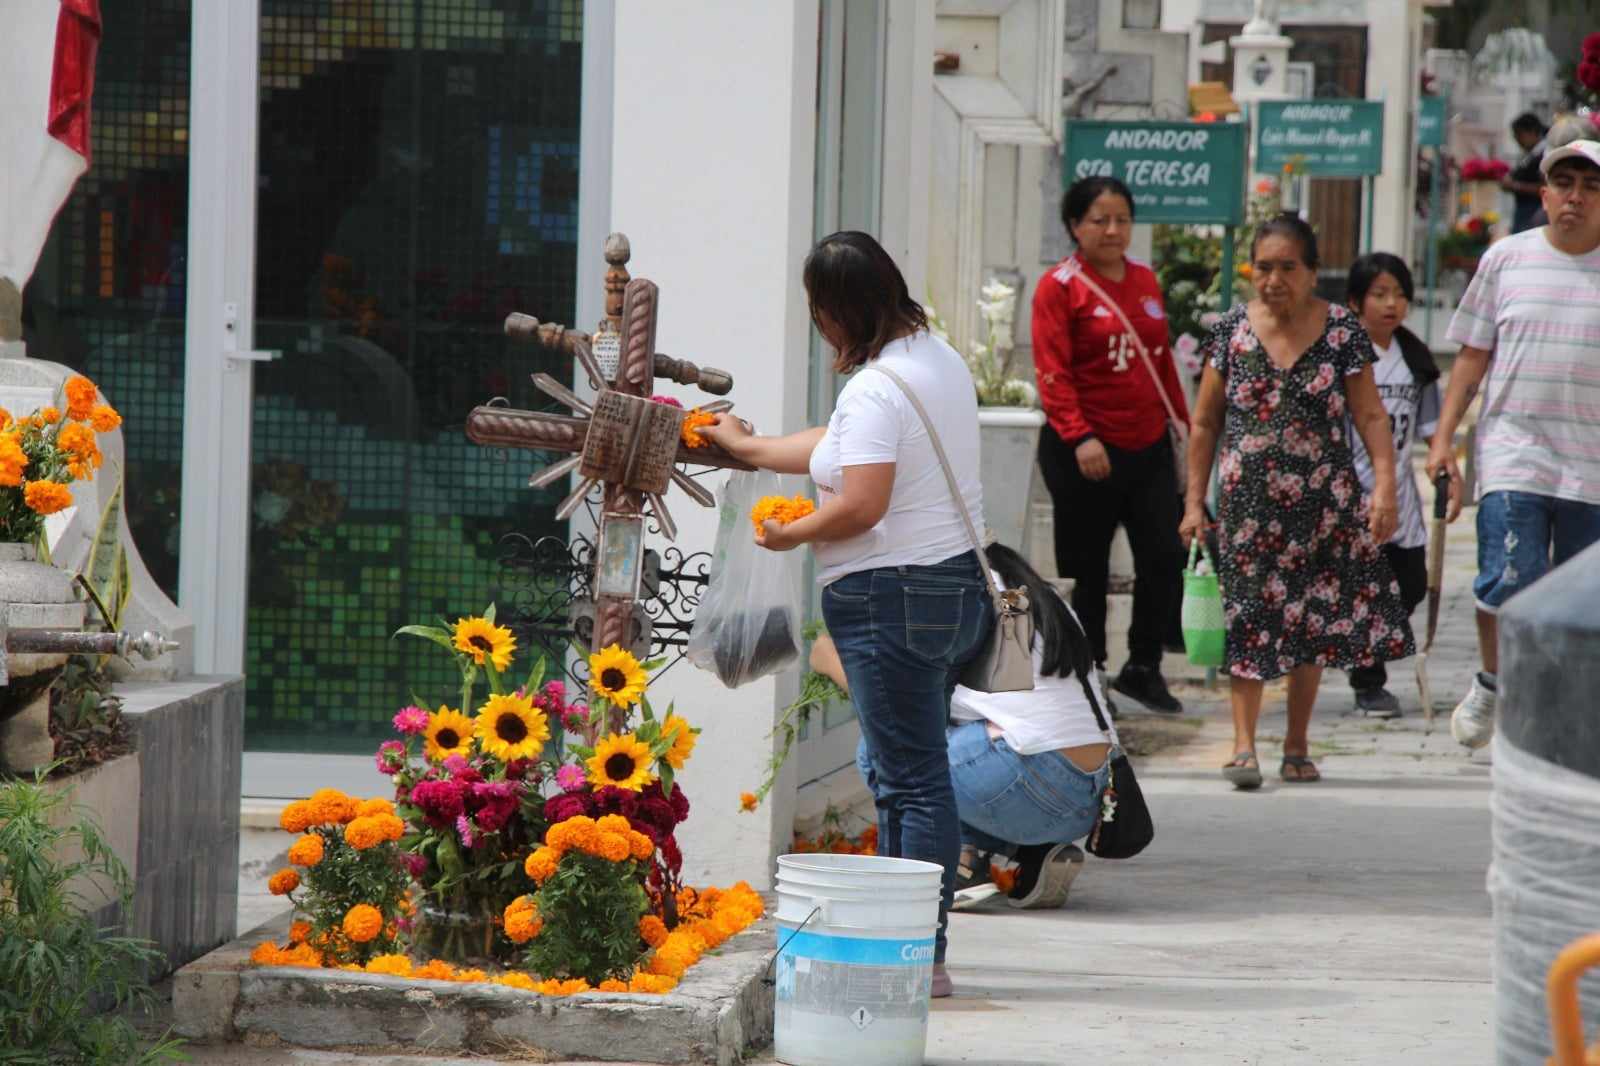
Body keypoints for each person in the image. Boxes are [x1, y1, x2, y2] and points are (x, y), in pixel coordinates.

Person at [697, 230, 990, 999]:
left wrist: (786, 534)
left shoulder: (873, 386)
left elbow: (861, 500)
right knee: (910, 778)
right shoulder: (935, 361)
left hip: (891, 599)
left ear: (837, 312)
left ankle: (917, 957)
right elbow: (844, 450)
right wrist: (753, 450)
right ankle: (907, 945)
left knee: (912, 783)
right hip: (950, 591)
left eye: (819, 311)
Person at [1181, 214, 1416, 789]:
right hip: (1246, 510)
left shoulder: (1341, 331)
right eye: (1263, 267)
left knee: (1310, 625)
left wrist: (1384, 488)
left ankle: (1296, 744)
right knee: (1249, 622)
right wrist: (1193, 502)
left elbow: (1369, 416)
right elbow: (1206, 422)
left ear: (1313, 272)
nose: (1274, 279)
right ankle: (1242, 745)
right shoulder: (1231, 332)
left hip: (1324, 508)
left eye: (1288, 267)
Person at [813, 543, 1119, 912]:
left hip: (1035, 777)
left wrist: (832, 662)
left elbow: (899, 703)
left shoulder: (957, 593)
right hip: (1093, 797)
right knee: (948, 742)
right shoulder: (1031, 592)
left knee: (883, 750)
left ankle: (959, 866)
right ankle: (1033, 853)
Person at [1426, 140, 1600, 751]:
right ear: (1545, 195)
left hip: (1592, 468)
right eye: (1564, 184)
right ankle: (1498, 681)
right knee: (1510, 580)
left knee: (1582, 603)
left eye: (1590, 186)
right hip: (1514, 454)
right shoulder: (1505, 260)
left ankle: (1556, 710)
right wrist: (1443, 441)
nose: (1575, 197)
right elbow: (1473, 356)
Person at [1033, 175, 1189, 717]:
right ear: (1075, 226)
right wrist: (1079, 436)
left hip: (1147, 446)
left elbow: (1162, 362)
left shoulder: (1145, 279)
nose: (1113, 229)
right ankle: (1089, 672)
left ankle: (1144, 666)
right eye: (1099, 219)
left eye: (1122, 218)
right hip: (1084, 451)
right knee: (1088, 567)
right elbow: (1052, 372)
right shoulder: (1059, 286)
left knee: (1165, 555)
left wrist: (1183, 430)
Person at [1341, 254, 1443, 717]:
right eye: (1379, 294)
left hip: (1399, 496)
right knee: (1365, 588)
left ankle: (1360, 648)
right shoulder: (1343, 356)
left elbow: (1430, 427)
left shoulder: (1416, 359)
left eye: (1400, 295)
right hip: (1351, 494)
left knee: (1410, 584)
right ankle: (1368, 680)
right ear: (1355, 301)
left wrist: (1447, 469)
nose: (1391, 304)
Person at [1504, 113, 1550, 235]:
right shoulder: (1531, 155)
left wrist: (1515, 186)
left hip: (1534, 212)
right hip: (1524, 212)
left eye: (1519, 135)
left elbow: (1545, 185)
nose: (1517, 140)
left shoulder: (1544, 155)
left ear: (1532, 132)